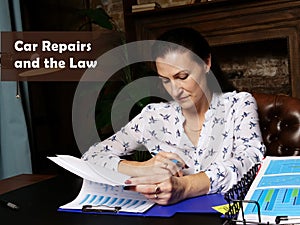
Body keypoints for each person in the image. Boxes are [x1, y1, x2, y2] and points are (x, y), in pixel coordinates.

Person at [82, 27, 265, 205]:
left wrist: (184, 186)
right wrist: (143, 167)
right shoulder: (154, 116)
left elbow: (252, 160)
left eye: (182, 76)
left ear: (206, 63)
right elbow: (92, 156)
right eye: (165, 80)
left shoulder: (239, 104)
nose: (175, 90)